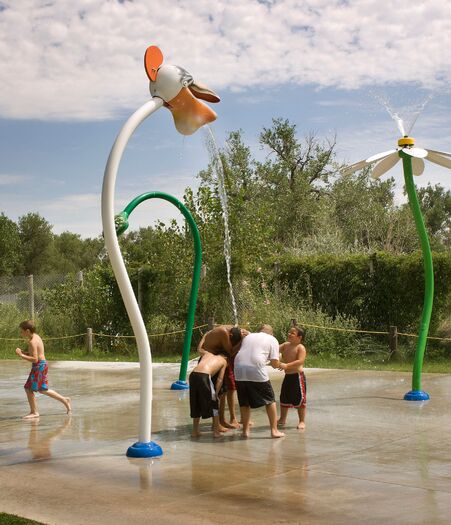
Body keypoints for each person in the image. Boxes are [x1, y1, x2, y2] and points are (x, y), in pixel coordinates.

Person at [234, 324, 285, 439]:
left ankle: (245, 431)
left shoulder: (249, 336)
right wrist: (282, 363)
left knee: (244, 401)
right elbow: (274, 364)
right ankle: (274, 430)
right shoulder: (272, 339)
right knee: (270, 400)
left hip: (238, 367)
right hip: (255, 368)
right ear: (271, 333)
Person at [15, 320, 71, 419]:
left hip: (39, 366)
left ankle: (34, 412)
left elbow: (35, 359)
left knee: (29, 388)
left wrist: (21, 355)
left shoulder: (32, 342)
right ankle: (64, 400)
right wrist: (24, 352)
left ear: (27, 331)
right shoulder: (36, 336)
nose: (21, 333)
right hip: (41, 365)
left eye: (21, 331)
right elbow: (34, 353)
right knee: (41, 389)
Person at [197, 324, 246, 430]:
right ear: (230, 334)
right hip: (211, 364)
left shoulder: (223, 329)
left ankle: (221, 420)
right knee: (216, 395)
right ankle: (216, 424)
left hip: (210, 362)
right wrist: (242, 340)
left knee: (222, 393)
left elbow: (200, 349)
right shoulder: (223, 332)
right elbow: (231, 352)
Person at [189, 349, 228, 438]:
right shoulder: (223, 361)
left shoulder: (207, 353)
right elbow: (220, 379)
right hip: (204, 376)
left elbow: (199, 349)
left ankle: (195, 432)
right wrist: (216, 394)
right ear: (226, 357)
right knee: (214, 404)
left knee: (196, 403)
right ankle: (216, 432)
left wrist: (205, 337)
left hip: (193, 375)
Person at [278, 326, 307, 430]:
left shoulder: (300, 347)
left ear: (299, 337)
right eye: (289, 332)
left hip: (297, 377)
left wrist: (286, 365)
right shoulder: (286, 345)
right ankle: (282, 419)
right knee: (284, 397)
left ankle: (302, 421)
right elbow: (275, 348)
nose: (289, 334)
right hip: (288, 376)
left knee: (299, 399)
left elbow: (300, 361)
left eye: (292, 333)